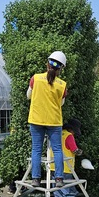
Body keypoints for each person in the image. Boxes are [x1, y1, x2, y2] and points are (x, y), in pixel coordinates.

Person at [27, 50, 68, 188]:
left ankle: (36, 179)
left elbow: (29, 95)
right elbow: (61, 103)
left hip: (36, 119)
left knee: (36, 149)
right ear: (61, 68)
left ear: (47, 64)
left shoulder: (36, 78)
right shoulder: (62, 85)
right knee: (57, 150)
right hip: (54, 121)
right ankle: (59, 179)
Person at [50, 118, 83, 197]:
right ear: (72, 129)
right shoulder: (69, 136)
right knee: (68, 189)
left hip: (53, 166)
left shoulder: (57, 133)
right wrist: (80, 152)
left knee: (57, 189)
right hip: (65, 167)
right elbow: (74, 150)